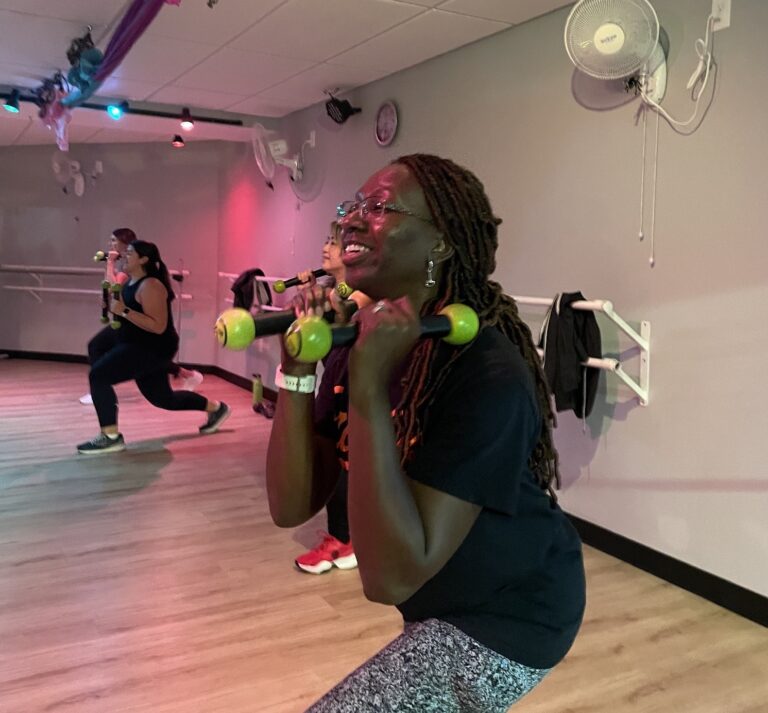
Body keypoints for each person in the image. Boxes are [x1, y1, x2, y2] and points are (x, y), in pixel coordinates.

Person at [266, 154, 586, 711]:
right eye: (352, 206)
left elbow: (388, 578)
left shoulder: (486, 370)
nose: (352, 220)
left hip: (510, 617)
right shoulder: (363, 343)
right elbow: (291, 505)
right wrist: (296, 369)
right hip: (437, 599)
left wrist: (367, 390)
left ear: (440, 242)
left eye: (380, 207)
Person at [77, 240, 229, 454]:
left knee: (99, 375)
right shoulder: (131, 281)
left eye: (130, 253)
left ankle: (110, 436)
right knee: (163, 399)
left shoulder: (152, 286)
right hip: (137, 344)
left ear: (144, 259)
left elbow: (158, 326)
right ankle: (216, 408)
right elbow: (117, 296)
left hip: (151, 348)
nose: (125, 255)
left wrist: (124, 312)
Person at [293, 222, 370, 574]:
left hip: (356, 393)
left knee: (348, 468)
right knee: (331, 463)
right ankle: (344, 537)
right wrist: (312, 291)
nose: (326, 247)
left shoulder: (362, 291)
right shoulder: (334, 288)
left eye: (334, 243)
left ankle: (344, 541)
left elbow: (346, 305)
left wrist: (322, 295)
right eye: (325, 239)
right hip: (335, 384)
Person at [79, 228, 203, 405]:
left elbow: (117, 286)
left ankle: (100, 385)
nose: (110, 244)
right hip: (130, 321)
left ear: (125, 243)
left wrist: (109, 264)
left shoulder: (132, 265)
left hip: (137, 323)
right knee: (101, 346)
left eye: (114, 241)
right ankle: (186, 374)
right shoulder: (126, 262)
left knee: (102, 347)